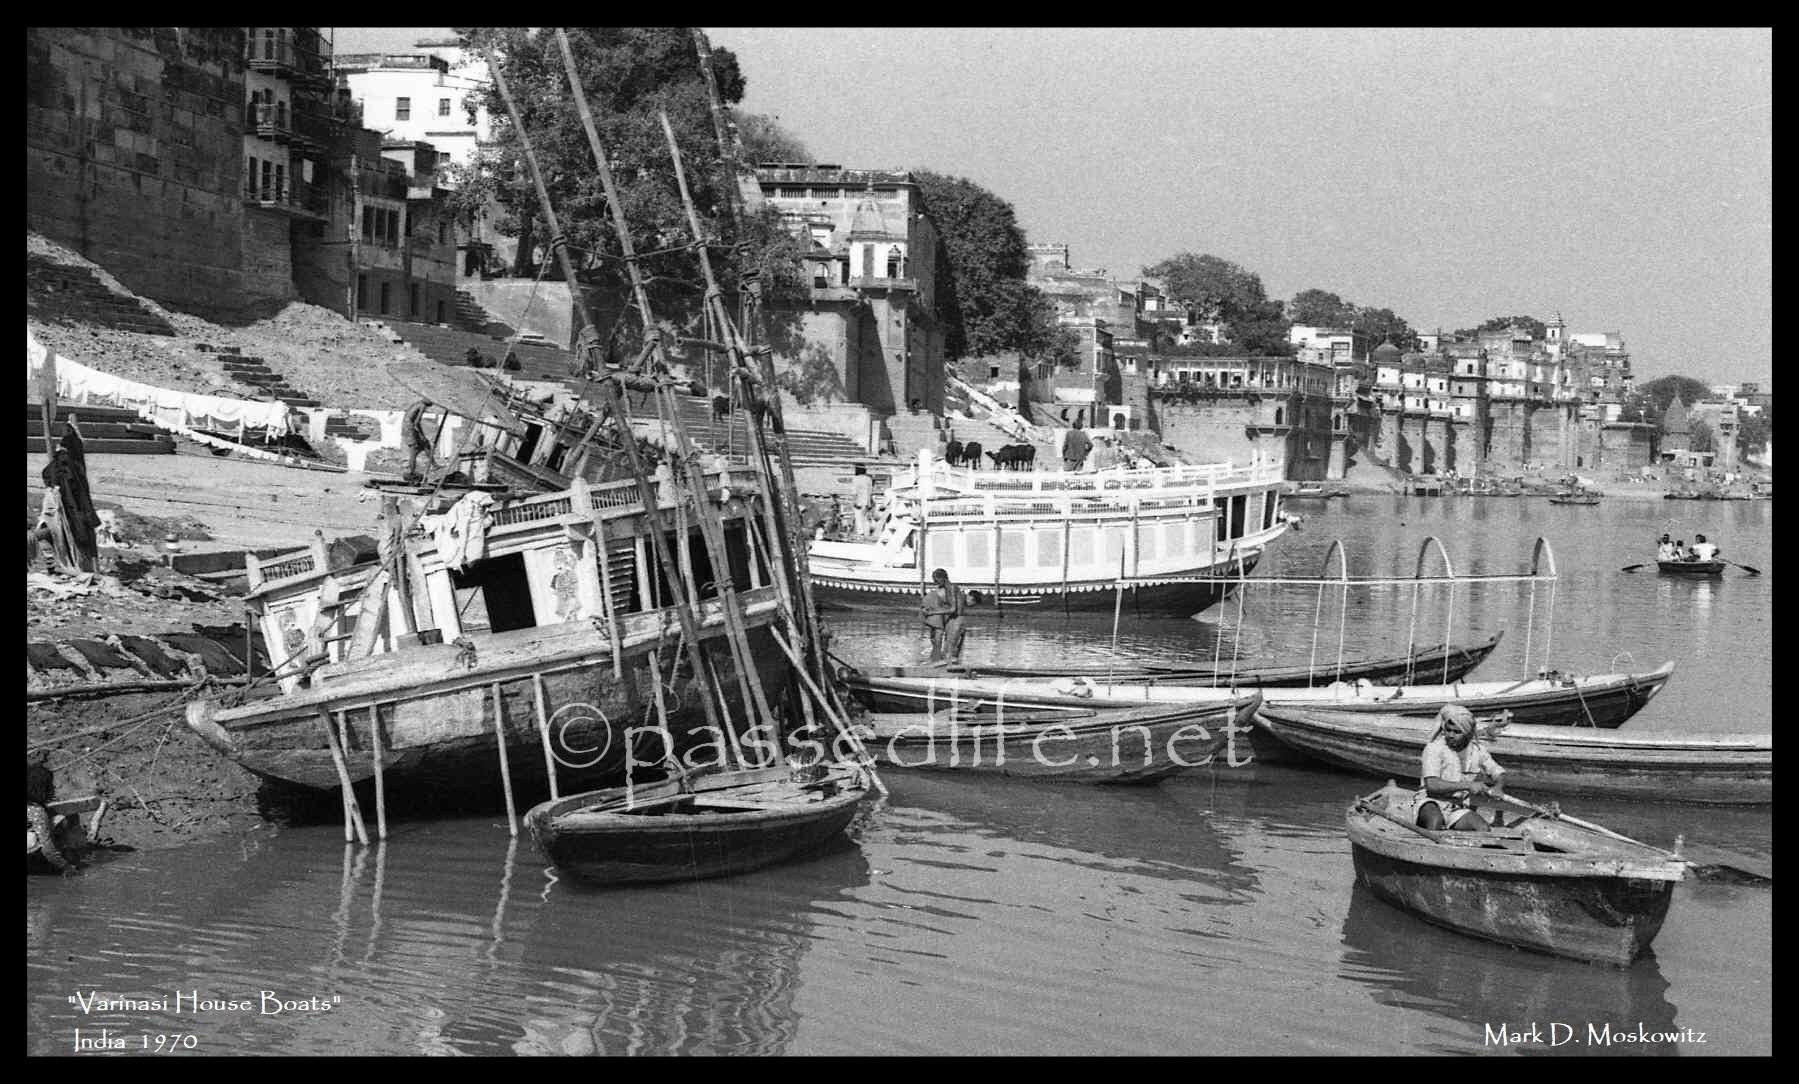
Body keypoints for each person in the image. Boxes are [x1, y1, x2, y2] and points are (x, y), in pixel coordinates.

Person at [1413, 704, 1505, 833]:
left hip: (1456, 807)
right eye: (1448, 730)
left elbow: (1497, 771)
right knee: (1435, 821)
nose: (1450, 735)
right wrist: (1468, 785)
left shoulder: (1478, 751)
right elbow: (1432, 784)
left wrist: (1498, 787)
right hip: (1430, 801)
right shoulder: (1434, 748)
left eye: (1457, 732)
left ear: (1467, 733)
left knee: (1483, 829)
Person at [921, 567, 967, 667]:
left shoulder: (952, 588)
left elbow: (953, 609)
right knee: (947, 650)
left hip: (957, 620)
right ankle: (943, 669)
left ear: (943, 578)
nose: (935, 583)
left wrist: (933, 612)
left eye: (936, 580)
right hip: (951, 620)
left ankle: (951, 672)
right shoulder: (945, 589)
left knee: (950, 650)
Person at [850, 464, 875, 538]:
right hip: (867, 501)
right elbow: (870, 491)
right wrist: (870, 502)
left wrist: (854, 501)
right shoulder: (868, 479)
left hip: (859, 501)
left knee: (858, 518)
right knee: (865, 518)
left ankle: (860, 533)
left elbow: (854, 491)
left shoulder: (855, 479)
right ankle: (867, 533)